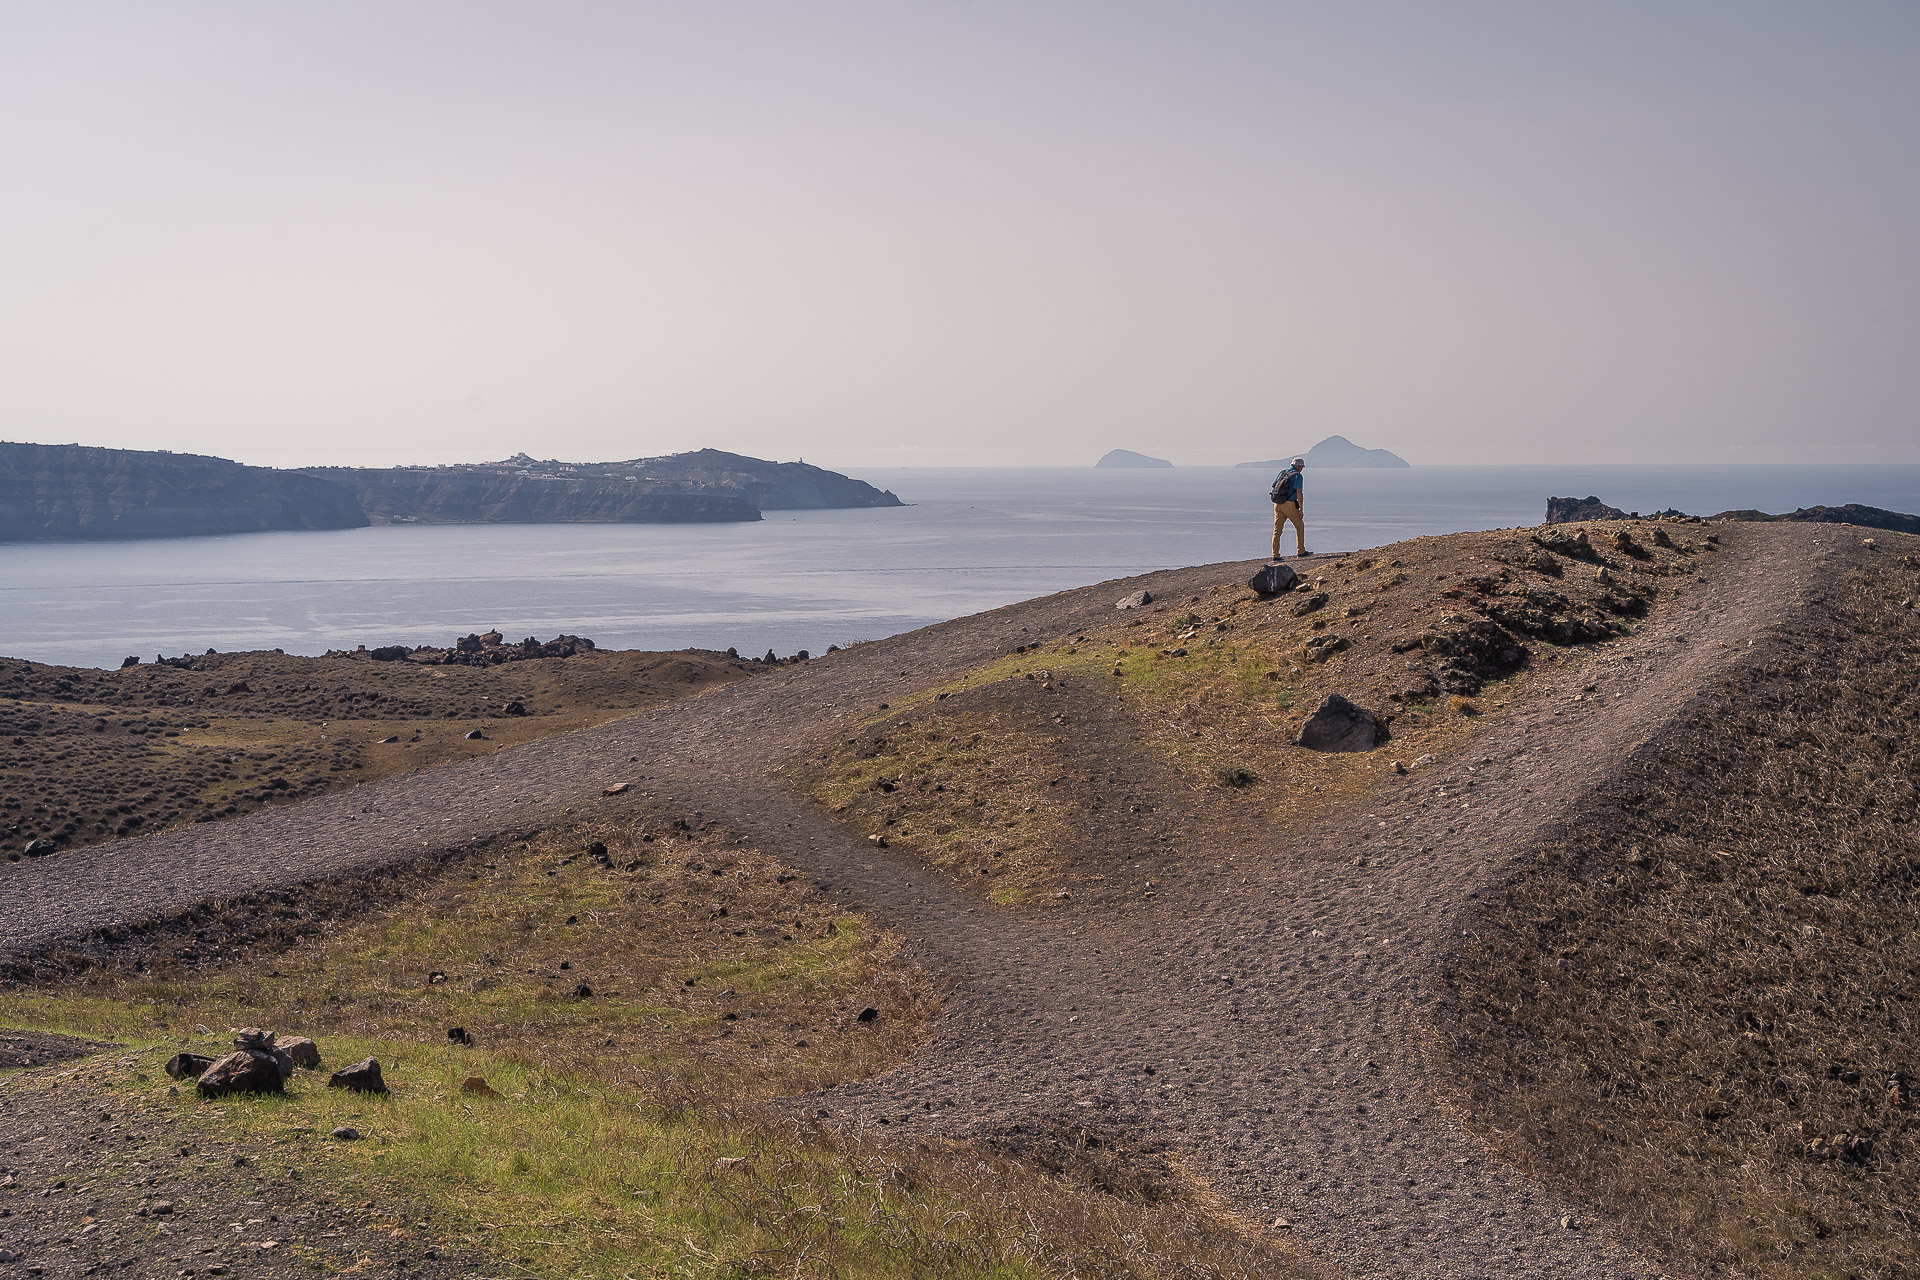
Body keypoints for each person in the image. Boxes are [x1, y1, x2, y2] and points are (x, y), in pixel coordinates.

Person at [1270, 457, 1308, 559]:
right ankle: (1301, 551)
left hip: (1277, 504)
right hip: (1289, 504)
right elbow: (1299, 492)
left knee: (1277, 530)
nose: (1302, 469)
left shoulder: (1282, 473)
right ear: (1299, 466)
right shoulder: (1298, 476)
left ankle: (1275, 554)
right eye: (1302, 467)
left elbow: (1274, 486)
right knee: (1299, 526)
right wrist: (1301, 509)